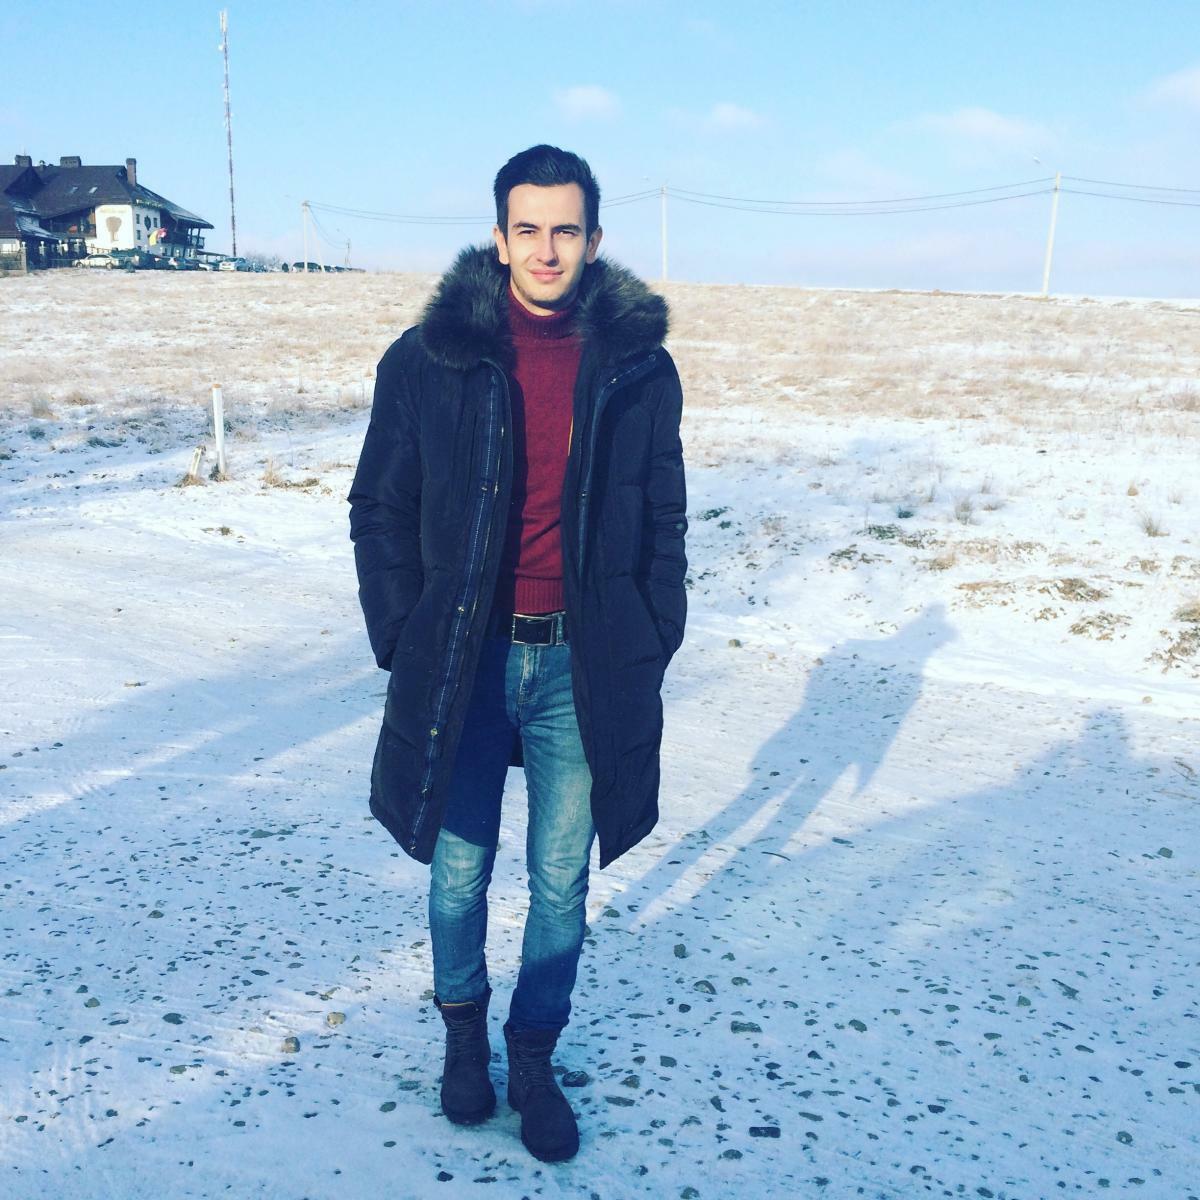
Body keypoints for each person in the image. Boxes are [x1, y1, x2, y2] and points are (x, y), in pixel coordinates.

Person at [348, 144, 686, 1163]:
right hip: (465, 660)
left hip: (581, 664)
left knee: (560, 882)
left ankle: (532, 1057)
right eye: (528, 229)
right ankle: (463, 1036)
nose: (547, 249)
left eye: (565, 230)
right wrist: (406, 635)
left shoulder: (637, 368)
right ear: (499, 239)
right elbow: (378, 508)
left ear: (593, 239)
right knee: (458, 872)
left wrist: (649, 635)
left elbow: (664, 518)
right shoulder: (431, 359)